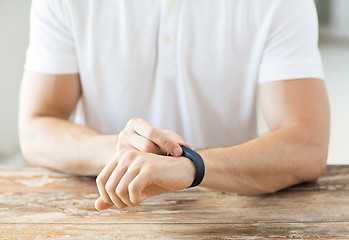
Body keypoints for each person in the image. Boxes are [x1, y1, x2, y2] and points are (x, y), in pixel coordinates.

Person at [19, 0, 330, 211]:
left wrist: (191, 167)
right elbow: (36, 128)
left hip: (230, 213)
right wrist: (120, 152)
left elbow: (307, 144)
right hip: (105, 211)